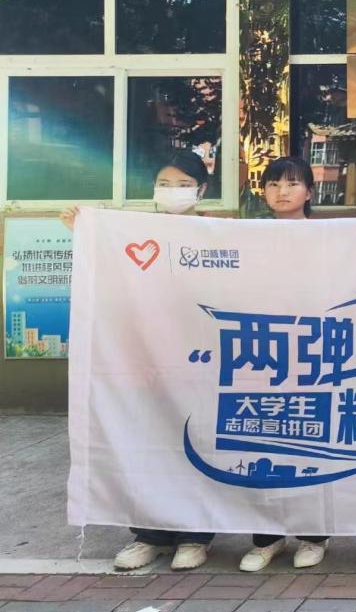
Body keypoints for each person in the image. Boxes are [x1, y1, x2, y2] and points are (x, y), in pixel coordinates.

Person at [61, 151, 218, 572]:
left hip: (197, 359)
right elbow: (109, 276)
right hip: (144, 358)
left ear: (201, 189)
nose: (172, 191)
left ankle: (195, 536)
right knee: (148, 444)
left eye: (183, 184)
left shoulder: (217, 233)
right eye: (164, 184)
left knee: (195, 443)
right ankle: (149, 535)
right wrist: (87, 235)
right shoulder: (133, 233)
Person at [239, 157, 330, 572]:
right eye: (273, 184)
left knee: (312, 441)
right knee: (263, 441)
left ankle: (313, 536)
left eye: (292, 184)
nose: (282, 191)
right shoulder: (248, 237)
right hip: (264, 352)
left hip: (314, 351)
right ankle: (266, 538)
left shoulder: (332, 237)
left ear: (309, 192)